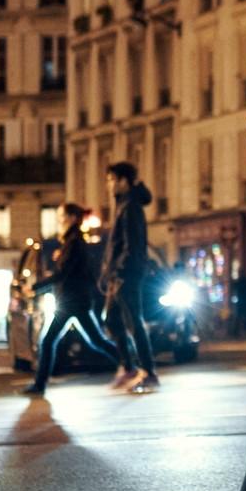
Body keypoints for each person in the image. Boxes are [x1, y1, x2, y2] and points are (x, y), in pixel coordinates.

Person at [20, 203, 120, 397]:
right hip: (74, 299)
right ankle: (130, 364)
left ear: (72, 218)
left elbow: (62, 273)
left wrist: (36, 287)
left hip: (71, 300)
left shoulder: (74, 242)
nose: (60, 220)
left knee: (49, 341)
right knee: (96, 340)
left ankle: (39, 385)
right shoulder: (71, 241)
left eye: (62, 216)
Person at [101, 161, 160, 394]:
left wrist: (120, 270)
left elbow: (132, 245)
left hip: (127, 274)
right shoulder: (123, 204)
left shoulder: (131, 206)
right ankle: (129, 367)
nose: (108, 185)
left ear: (123, 181)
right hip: (119, 274)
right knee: (111, 319)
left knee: (134, 321)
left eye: (111, 180)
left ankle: (148, 372)